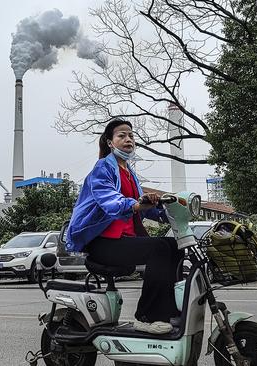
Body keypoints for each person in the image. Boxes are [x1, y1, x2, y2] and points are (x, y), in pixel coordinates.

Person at [66, 119, 184, 334]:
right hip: (103, 242)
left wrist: (170, 211)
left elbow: (144, 208)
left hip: (124, 240)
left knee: (174, 245)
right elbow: (109, 200)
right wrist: (137, 203)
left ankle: (169, 311)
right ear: (110, 142)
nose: (128, 139)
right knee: (159, 248)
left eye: (130, 135)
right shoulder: (103, 168)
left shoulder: (129, 172)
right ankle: (146, 317)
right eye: (121, 135)